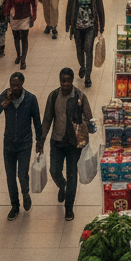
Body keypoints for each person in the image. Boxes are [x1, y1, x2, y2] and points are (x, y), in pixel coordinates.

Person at [38, 67, 94, 221]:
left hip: (73, 144)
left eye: (68, 81)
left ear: (72, 81)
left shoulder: (80, 96)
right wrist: (41, 140)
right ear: (60, 81)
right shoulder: (53, 96)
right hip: (57, 141)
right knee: (54, 170)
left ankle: (69, 207)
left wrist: (89, 127)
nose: (66, 84)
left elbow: (89, 117)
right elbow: (48, 119)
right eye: (63, 81)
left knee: (72, 175)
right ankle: (62, 185)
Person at [0, 71, 42, 219]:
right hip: (8, 144)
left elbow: (37, 121)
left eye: (17, 85)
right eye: (12, 85)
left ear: (22, 85)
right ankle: (14, 206)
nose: (14, 88)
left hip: (25, 143)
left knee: (22, 174)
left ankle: (25, 193)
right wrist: (4, 103)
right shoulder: (5, 95)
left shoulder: (31, 99)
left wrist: (39, 141)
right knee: (10, 177)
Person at [64, 0, 105, 88]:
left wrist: (101, 25)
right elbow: (70, 6)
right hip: (77, 25)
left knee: (88, 49)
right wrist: (68, 24)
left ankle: (88, 77)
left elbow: (100, 7)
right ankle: (82, 65)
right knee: (79, 50)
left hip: (91, 25)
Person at [6, 0, 37, 69]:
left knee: (24, 38)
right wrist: (6, 15)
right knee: (16, 38)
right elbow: (8, 4)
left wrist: (33, 16)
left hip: (25, 17)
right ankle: (18, 55)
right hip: (14, 17)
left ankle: (23, 59)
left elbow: (33, 2)